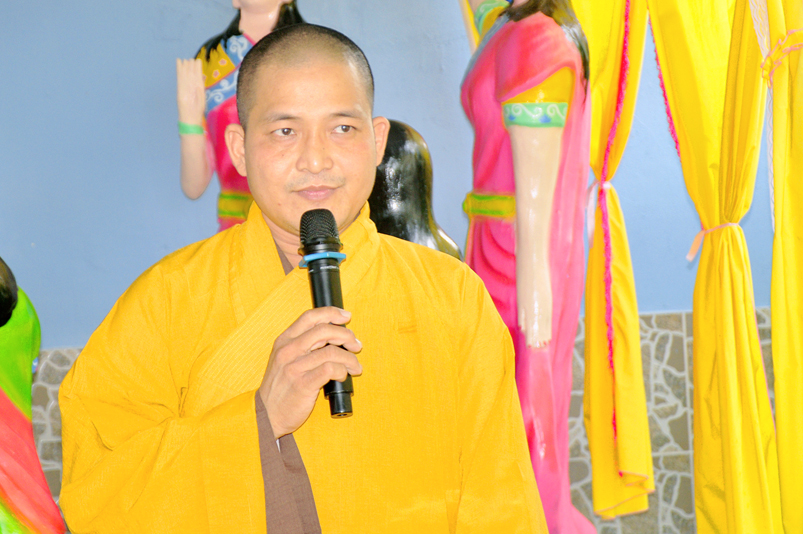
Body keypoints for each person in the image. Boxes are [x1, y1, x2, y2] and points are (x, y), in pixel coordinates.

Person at [60, 24, 547, 533]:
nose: (316, 159)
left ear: (377, 140)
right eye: (285, 131)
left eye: (343, 128)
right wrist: (258, 418)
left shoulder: (453, 296)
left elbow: (503, 502)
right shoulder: (164, 301)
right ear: (239, 148)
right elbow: (100, 493)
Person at [461, 1, 592, 532]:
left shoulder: (536, 40)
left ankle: (535, 519)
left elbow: (535, 189)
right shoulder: (504, 26)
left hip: (518, 258)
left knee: (525, 405)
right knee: (498, 407)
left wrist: (536, 288)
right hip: (491, 245)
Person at [177, 0, 302, 231]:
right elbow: (194, 187)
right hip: (235, 224)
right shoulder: (211, 59)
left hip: (298, 220)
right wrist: (189, 119)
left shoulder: (309, 51)